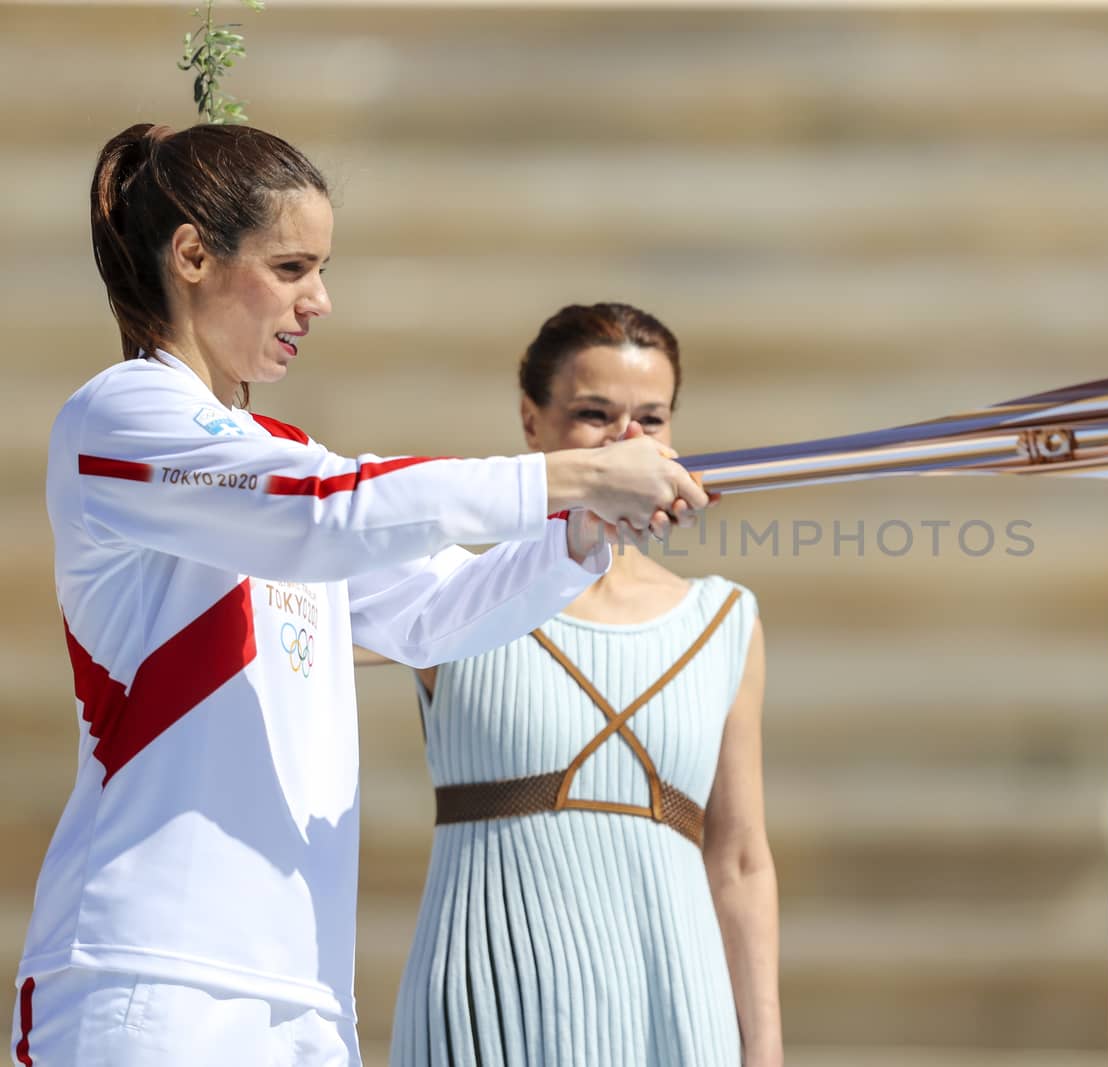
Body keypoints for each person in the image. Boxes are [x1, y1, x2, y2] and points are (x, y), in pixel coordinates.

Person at [11, 123, 708, 1067]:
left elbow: (438, 612)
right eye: (293, 267)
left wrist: (579, 539)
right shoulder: (121, 418)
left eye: (322, 269)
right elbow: (328, 512)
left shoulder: (282, 458)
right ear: (191, 256)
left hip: (302, 990)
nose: (320, 301)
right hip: (150, 977)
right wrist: (575, 479)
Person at [390, 303, 781, 1067]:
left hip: (673, 994)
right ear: (532, 424)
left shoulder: (724, 620)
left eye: (651, 419)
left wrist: (762, 1047)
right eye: (594, 415)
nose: (627, 444)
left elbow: (739, 860)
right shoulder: (453, 598)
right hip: (491, 997)